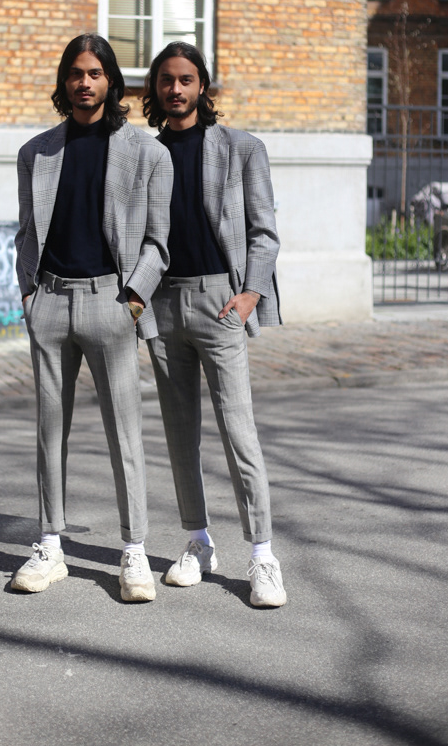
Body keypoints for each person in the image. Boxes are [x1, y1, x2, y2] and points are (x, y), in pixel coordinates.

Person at [11, 33, 173, 603]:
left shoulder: (147, 153)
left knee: (124, 432)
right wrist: (29, 296)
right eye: (76, 73)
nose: (84, 82)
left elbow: (159, 243)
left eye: (95, 73)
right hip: (50, 302)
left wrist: (133, 300)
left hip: (112, 302)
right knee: (48, 430)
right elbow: (26, 232)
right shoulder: (36, 153)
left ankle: (134, 551)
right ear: (65, 81)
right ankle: (49, 545)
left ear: (111, 81)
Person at [142, 41, 286, 607]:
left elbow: (264, 231)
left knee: (238, 430)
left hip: (221, 302)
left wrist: (249, 295)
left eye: (185, 79)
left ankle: (263, 555)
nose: (175, 89)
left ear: (202, 85)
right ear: (155, 88)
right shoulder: (146, 152)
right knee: (179, 435)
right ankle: (198, 542)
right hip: (162, 304)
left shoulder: (241, 148)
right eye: (166, 80)